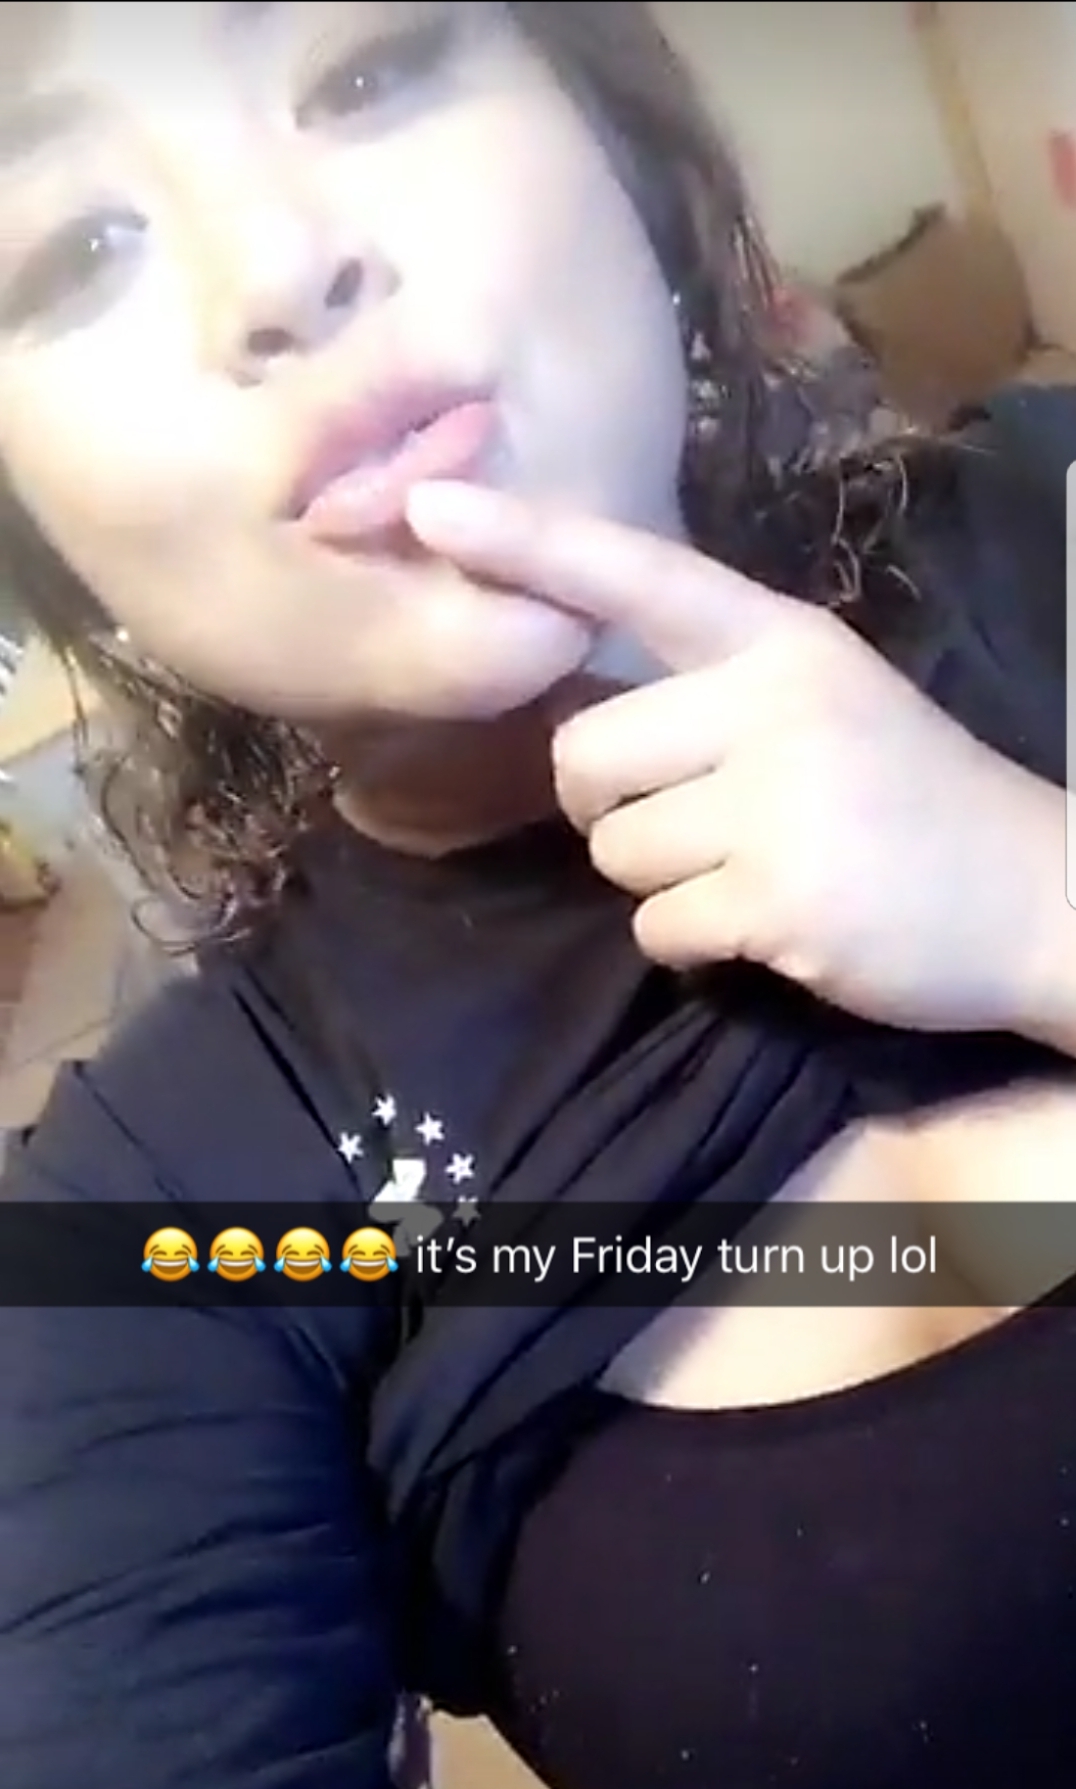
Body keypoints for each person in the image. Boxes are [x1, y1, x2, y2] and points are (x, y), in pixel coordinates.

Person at [0, 3, 1073, 1787]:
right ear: (50, 541)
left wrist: (1042, 902)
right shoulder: (161, 1213)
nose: (277, 270)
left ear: (624, 149)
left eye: (361, 70)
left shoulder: (1060, 519)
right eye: (73, 249)